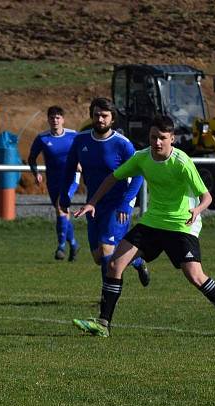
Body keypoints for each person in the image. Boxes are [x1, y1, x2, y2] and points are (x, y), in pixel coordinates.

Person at [72, 115, 215, 338]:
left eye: (162, 138)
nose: (157, 142)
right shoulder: (142, 158)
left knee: (195, 276)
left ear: (172, 139)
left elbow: (207, 197)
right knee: (114, 265)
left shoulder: (182, 162)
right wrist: (91, 203)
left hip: (181, 224)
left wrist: (197, 210)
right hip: (153, 221)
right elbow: (113, 177)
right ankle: (103, 324)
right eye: (153, 137)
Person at [59, 97, 150, 285]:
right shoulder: (81, 140)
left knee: (107, 249)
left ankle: (106, 299)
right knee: (98, 256)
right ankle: (137, 261)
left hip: (116, 205)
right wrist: (65, 194)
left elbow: (139, 174)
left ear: (112, 119)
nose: (100, 119)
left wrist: (126, 202)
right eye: (96, 115)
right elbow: (69, 168)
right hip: (92, 204)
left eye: (104, 116)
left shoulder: (123, 144)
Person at [27, 105, 80, 261]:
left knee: (60, 207)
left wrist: (80, 162)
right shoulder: (42, 138)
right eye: (52, 118)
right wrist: (36, 173)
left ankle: (61, 247)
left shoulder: (73, 136)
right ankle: (74, 244)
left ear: (63, 120)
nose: (55, 120)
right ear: (48, 120)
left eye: (58, 117)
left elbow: (84, 151)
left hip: (71, 178)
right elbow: (31, 158)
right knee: (62, 212)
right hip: (53, 181)